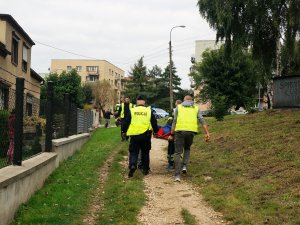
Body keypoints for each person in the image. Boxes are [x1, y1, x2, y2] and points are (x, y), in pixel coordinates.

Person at [169, 95, 210, 182]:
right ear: (191, 100)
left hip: (179, 132)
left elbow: (174, 120)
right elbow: (202, 119)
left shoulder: (178, 107)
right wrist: (207, 132)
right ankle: (184, 166)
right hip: (191, 132)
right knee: (187, 148)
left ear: (183, 100)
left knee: (177, 152)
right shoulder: (196, 108)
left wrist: (171, 133)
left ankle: (177, 175)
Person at [123, 95, 159, 177]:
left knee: (134, 152)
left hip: (134, 135)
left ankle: (132, 165)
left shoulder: (132, 110)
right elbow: (154, 122)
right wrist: (156, 131)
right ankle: (145, 169)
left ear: (137, 102)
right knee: (145, 152)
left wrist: (124, 132)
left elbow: (126, 122)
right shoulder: (149, 111)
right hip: (146, 135)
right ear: (144, 102)